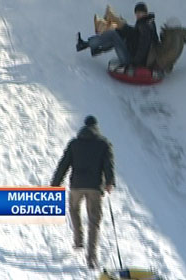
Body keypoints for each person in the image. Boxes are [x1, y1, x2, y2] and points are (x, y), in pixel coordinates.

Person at [51, 115, 115, 269]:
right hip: (94, 187)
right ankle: (91, 258)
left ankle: (78, 241)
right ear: (96, 127)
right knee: (94, 221)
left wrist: (55, 183)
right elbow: (108, 165)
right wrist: (109, 182)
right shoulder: (103, 144)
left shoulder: (74, 144)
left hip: (77, 186)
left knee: (74, 209)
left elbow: (64, 164)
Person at [77, 2, 159, 67]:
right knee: (118, 33)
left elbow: (143, 46)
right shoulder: (147, 22)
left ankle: (88, 45)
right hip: (133, 54)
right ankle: (95, 48)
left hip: (131, 60)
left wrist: (135, 63)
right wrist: (123, 28)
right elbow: (135, 35)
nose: (137, 15)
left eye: (139, 13)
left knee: (112, 34)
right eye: (136, 13)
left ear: (145, 13)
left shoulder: (145, 26)